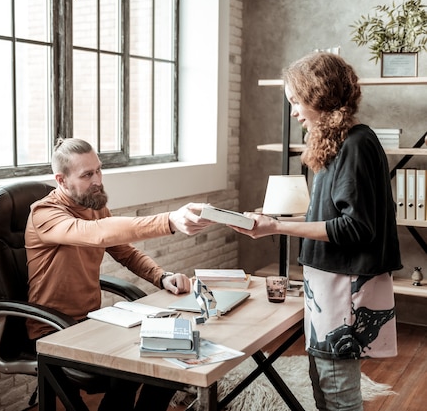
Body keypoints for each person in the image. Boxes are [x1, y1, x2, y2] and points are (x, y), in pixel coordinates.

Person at [231, 52, 401, 411]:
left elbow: (355, 227)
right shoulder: (338, 143)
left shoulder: (355, 144)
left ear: (318, 95)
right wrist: (272, 216)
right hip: (328, 285)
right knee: (323, 384)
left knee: (337, 392)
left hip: (343, 288)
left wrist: (277, 227)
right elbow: (333, 212)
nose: (294, 112)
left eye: (296, 101)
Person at [25, 137, 212, 411]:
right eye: (87, 174)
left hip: (91, 321)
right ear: (62, 181)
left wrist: (161, 277)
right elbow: (98, 233)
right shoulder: (45, 214)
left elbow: (124, 251)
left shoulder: (94, 206)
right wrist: (168, 220)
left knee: (174, 347)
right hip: (53, 328)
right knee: (137, 361)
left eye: (99, 170)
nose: (98, 179)